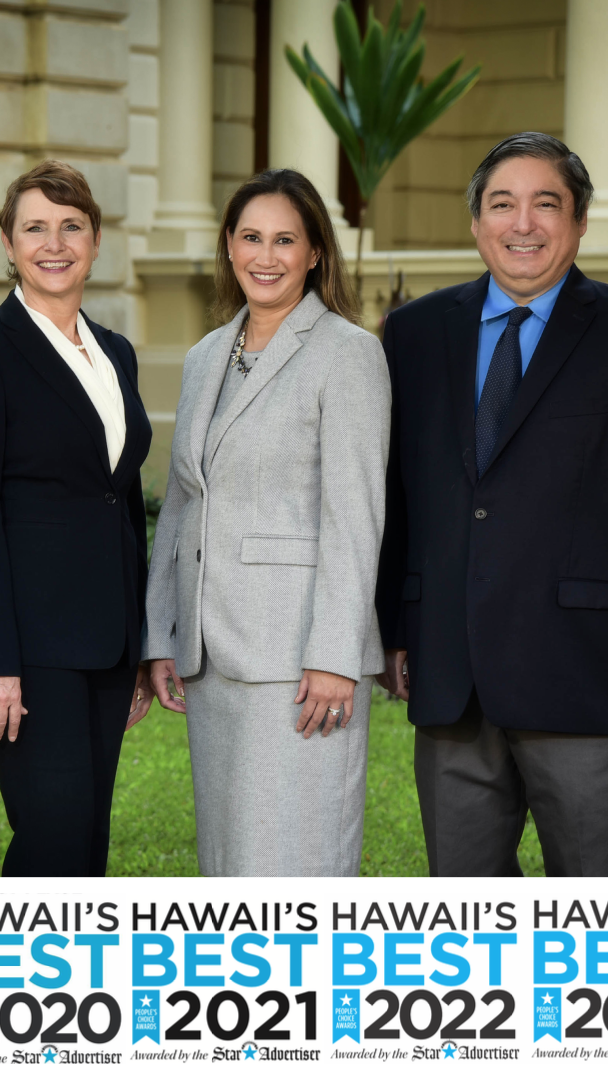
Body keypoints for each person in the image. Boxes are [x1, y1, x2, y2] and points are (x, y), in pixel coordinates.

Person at [376, 132, 608, 877]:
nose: (522, 223)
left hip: (591, 677)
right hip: (452, 675)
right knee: (463, 916)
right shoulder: (414, 334)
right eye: (502, 204)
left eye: (545, 204)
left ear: (580, 220)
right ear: (476, 222)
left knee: (603, 917)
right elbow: (400, 495)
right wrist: (397, 629)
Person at [143, 169, 390, 877]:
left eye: (286, 239)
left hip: (298, 660)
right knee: (230, 859)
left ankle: (304, 991)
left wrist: (336, 655)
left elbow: (355, 515)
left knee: (295, 858)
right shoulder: (202, 358)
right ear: (228, 245)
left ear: (316, 253)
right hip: (212, 657)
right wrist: (162, 632)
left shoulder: (348, 352)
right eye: (251, 237)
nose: (266, 255)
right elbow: (185, 503)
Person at [0, 161, 154, 876]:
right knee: (52, 836)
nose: (53, 243)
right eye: (35, 227)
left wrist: (143, 642)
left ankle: (77, 986)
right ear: (8, 242)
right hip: (31, 647)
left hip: (110, 642)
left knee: (89, 838)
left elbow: (120, 503)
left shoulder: (116, 353)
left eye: (71, 227)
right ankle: (8, 985)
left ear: (94, 242)